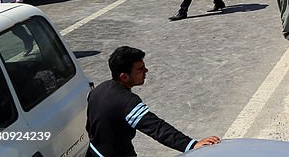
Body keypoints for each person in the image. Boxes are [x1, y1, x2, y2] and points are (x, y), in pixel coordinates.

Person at [87, 46, 220, 156]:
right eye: (140, 69)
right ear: (124, 76)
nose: (146, 71)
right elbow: (157, 128)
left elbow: (90, 126)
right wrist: (191, 145)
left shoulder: (97, 91)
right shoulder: (127, 102)